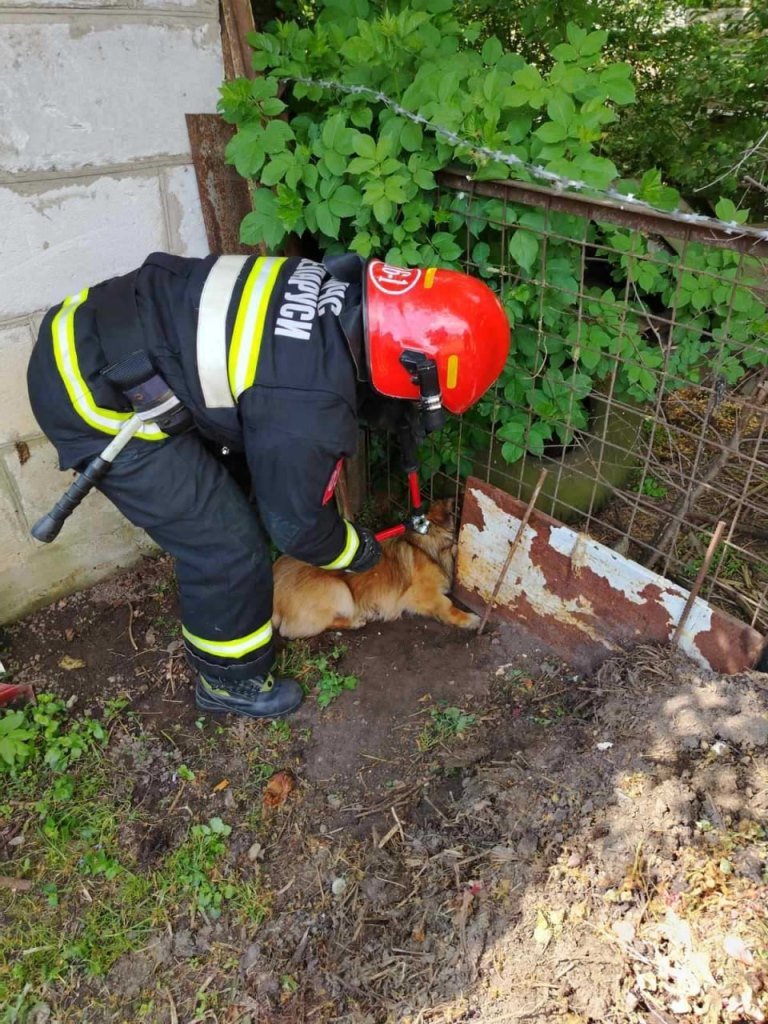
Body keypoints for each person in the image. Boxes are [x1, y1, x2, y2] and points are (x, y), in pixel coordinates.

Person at [27, 252, 510, 719]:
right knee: (226, 543)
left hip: (98, 328)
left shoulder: (332, 287)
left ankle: (231, 602)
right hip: (94, 392)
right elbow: (299, 529)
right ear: (412, 364)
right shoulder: (306, 407)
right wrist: (357, 553)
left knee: (234, 499)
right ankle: (227, 681)